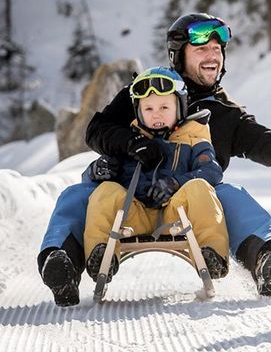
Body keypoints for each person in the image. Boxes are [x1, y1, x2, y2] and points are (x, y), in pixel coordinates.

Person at [39, 13, 271, 306]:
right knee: (78, 196)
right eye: (201, 49)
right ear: (178, 55)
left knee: (231, 197)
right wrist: (132, 143)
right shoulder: (145, 92)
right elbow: (97, 129)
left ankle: (265, 258)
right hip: (127, 197)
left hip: (190, 199)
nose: (212, 54)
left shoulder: (224, 114)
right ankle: (62, 264)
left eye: (217, 49)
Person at [82, 67, 229, 290]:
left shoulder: (193, 135)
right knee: (105, 192)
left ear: (179, 106)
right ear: (138, 112)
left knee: (200, 187)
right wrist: (99, 169)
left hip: (176, 215)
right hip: (133, 215)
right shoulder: (131, 139)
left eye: (164, 107)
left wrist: (176, 183)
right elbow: (90, 178)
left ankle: (213, 254)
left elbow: (211, 170)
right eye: (148, 108)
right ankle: (101, 254)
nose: (156, 114)